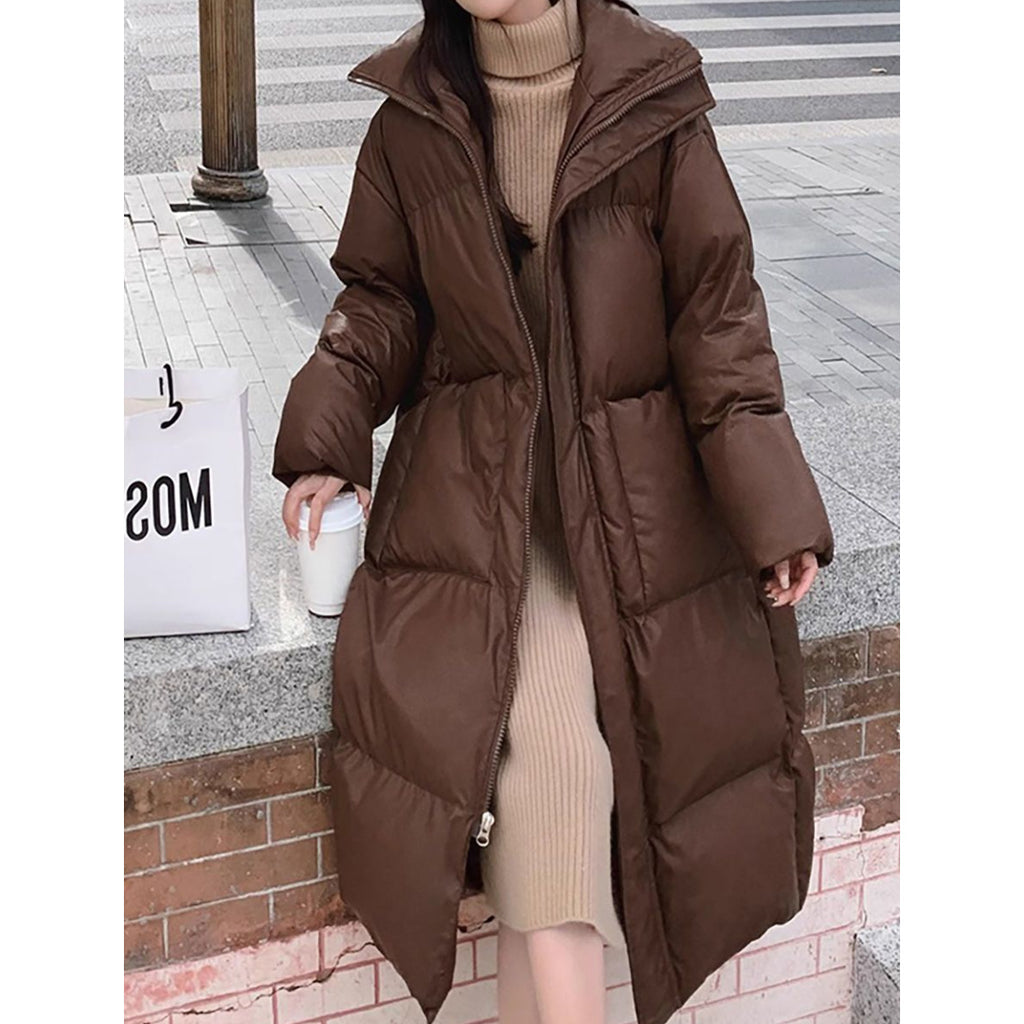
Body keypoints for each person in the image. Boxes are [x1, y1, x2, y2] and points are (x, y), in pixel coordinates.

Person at [273, 1, 834, 1022]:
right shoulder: (415, 112)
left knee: (547, 809)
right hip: (479, 510)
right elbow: (380, 298)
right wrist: (326, 438)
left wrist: (774, 505)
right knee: (558, 763)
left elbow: (715, 313)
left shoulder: (651, 99)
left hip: (628, 512)